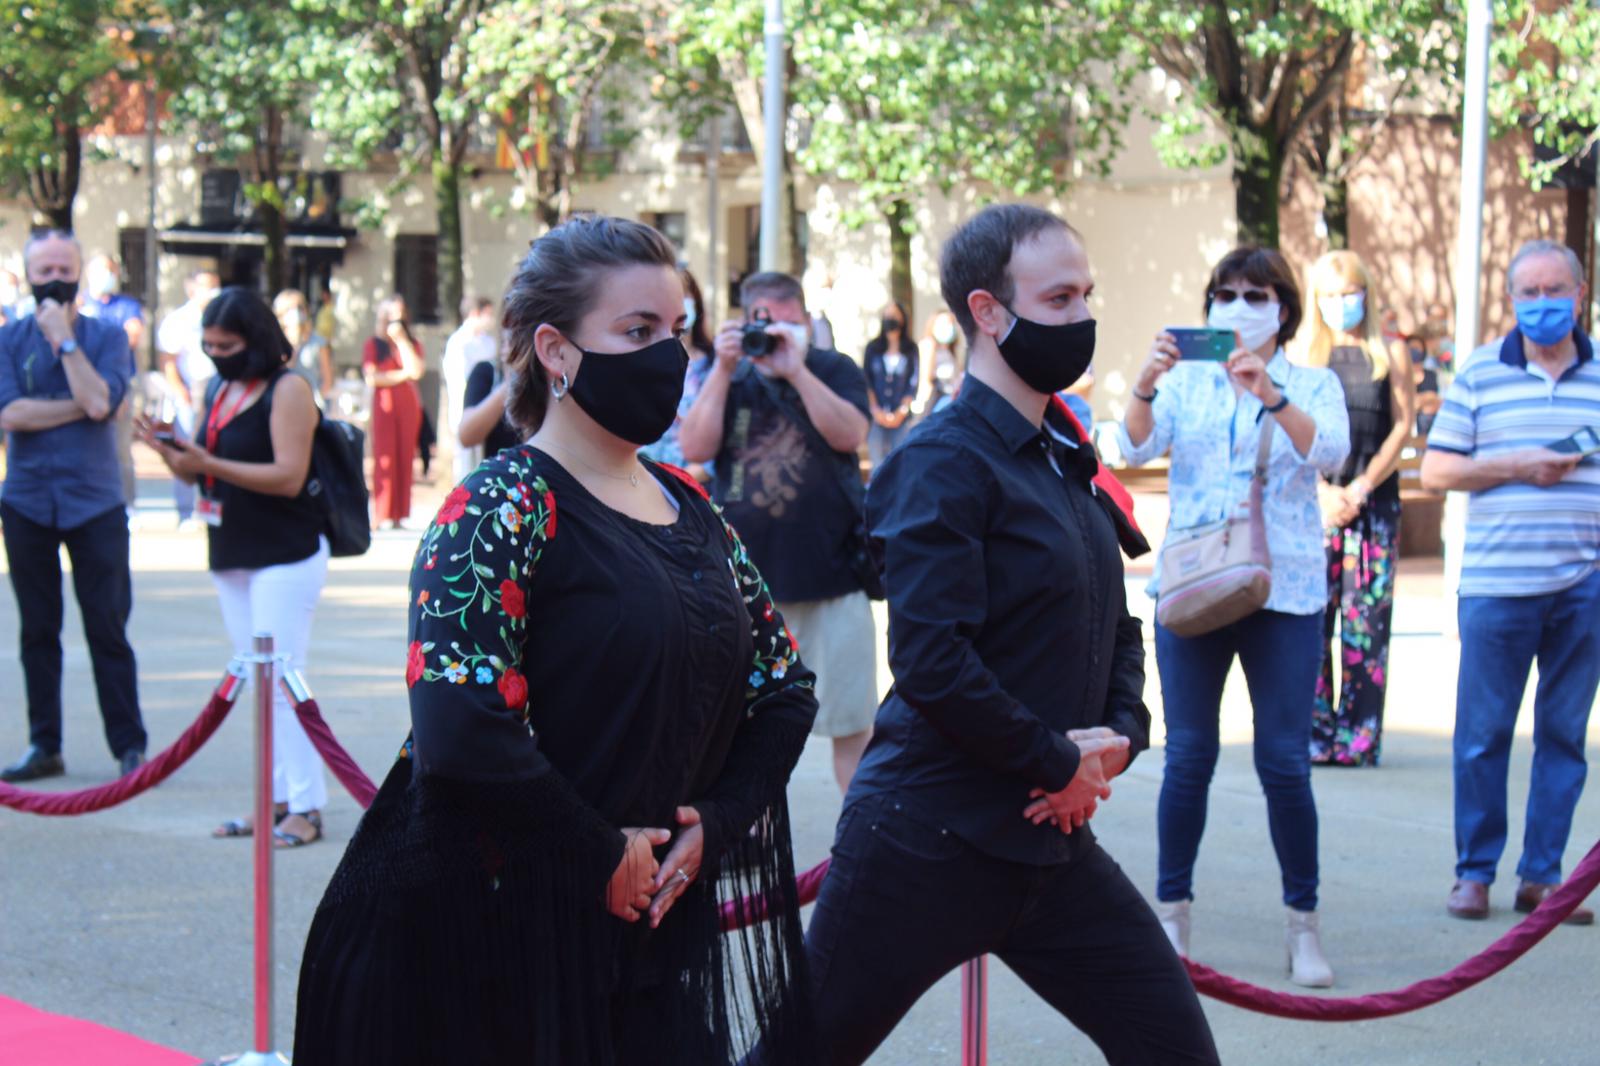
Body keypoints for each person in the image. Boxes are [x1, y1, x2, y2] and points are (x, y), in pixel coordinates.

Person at [293, 215, 819, 1064]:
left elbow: (785, 689)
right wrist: (598, 853)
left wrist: (711, 826)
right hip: (496, 948)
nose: (669, 356)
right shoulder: (501, 506)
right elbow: (459, 725)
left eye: (677, 331)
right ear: (557, 350)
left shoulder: (692, 508)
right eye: (638, 331)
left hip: (652, 946)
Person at [782, 204, 1217, 1066]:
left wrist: (1117, 743)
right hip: (924, 841)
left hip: (1050, 842)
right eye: (1059, 299)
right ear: (988, 311)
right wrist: (1058, 760)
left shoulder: (1064, 452)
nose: (1083, 318)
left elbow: (1115, 623)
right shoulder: (940, 460)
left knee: (1175, 1051)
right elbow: (932, 662)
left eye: (1087, 295)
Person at [1118, 246, 1350, 986]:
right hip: (1193, 584)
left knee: (1284, 762)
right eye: (1226, 293)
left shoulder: (1312, 381)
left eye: (1256, 294)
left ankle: (1303, 928)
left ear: (1283, 307)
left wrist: (1271, 395)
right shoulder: (1184, 380)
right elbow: (1128, 446)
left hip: (1284, 591)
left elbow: (1334, 455)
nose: (1239, 306)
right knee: (1188, 757)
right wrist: (1147, 383)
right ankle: (1171, 919)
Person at [1421, 238, 1600, 926]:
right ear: (1510, 300)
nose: (1542, 304)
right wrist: (1520, 463)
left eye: (1555, 290)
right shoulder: (1478, 374)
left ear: (1580, 295)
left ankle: (1543, 878)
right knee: (1482, 736)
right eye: (1529, 293)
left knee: (1564, 736)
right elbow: (1438, 472)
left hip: (1584, 586)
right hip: (1498, 586)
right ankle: (1473, 873)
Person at [137, 287, 331, 847]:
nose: (217, 354)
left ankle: (307, 806)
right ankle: (272, 801)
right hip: (232, 550)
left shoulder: (288, 388)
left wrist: (206, 461)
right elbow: (200, 475)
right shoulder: (220, 388)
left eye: (227, 344)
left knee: (282, 678)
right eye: (209, 345)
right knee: (254, 683)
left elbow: (288, 475)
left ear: (256, 340)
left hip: (285, 552)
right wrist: (171, 455)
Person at [678, 271, 876, 794]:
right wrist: (723, 368)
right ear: (745, 323)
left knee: (854, 732)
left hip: (835, 580)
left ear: (807, 322)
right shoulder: (732, 377)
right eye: (763, 324)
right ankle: (740, 849)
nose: (775, 337)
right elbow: (694, 448)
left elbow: (852, 434)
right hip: (748, 592)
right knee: (739, 736)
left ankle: (862, 855)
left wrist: (797, 371)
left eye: (788, 325)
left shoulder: (834, 369)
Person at [0, 230, 148, 783]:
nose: (54, 279)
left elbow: (101, 402)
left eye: (64, 267)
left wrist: (65, 342)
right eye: (44, 270)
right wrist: (80, 407)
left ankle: (129, 746)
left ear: (80, 273)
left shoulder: (107, 338)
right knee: (38, 631)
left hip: (96, 504)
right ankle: (45, 744)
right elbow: (11, 415)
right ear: (29, 274)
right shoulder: (8, 340)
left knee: (107, 627)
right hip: (27, 502)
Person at [1300, 250, 1416, 766]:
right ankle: (1315, 732)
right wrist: (1323, 490)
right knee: (1311, 621)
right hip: (1313, 507)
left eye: (1349, 293)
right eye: (1329, 294)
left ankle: (1359, 736)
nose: (1340, 303)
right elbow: (1291, 428)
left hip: (1372, 507)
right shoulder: (1304, 356)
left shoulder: (1389, 351)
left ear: (1366, 294)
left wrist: (1363, 486)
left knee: (1365, 623)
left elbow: (1403, 424)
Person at [79, 254, 147, 506]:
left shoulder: (126, 305)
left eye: (108, 270)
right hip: (82, 383)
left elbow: (132, 336)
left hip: (118, 385)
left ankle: (127, 505)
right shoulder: (78, 303)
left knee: (120, 449)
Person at [157, 268, 222, 526]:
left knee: (215, 452)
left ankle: (209, 508)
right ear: (192, 288)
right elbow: (168, 361)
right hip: (190, 390)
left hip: (218, 389)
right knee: (185, 448)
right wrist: (181, 392)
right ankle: (185, 511)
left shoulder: (221, 317)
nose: (212, 292)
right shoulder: (178, 321)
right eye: (207, 286)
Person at [640, 267, 716, 476]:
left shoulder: (715, 365)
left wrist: (680, 485)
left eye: (683, 295)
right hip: (640, 478)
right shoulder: (636, 360)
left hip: (692, 486)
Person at [362, 295, 424, 529]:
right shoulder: (373, 344)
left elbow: (416, 371)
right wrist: (401, 376)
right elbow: (373, 377)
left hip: (408, 407)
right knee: (384, 457)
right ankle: (381, 512)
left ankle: (399, 514)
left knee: (405, 457)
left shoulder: (411, 343)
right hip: (384, 406)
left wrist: (401, 341)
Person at [440, 295, 500, 481]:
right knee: (466, 465)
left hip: (489, 408)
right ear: (475, 313)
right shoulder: (459, 343)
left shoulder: (488, 342)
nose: (490, 319)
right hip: (466, 405)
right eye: (487, 314)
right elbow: (459, 379)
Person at [863, 301, 918, 466]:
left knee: (900, 463)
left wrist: (901, 412)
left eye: (894, 315)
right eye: (888, 315)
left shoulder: (910, 349)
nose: (891, 319)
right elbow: (867, 381)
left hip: (900, 418)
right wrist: (875, 410)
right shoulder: (873, 348)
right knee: (878, 465)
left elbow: (913, 382)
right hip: (876, 416)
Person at [273, 289, 335, 402]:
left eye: (299, 307)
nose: (296, 312)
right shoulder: (275, 342)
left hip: (312, 404)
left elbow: (328, 380)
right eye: (290, 309)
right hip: (284, 403)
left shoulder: (318, 342)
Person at [916, 308, 964, 413]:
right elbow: (926, 379)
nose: (947, 327)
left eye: (950, 323)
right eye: (942, 323)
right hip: (934, 403)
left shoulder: (952, 351)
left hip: (950, 401)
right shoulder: (928, 346)